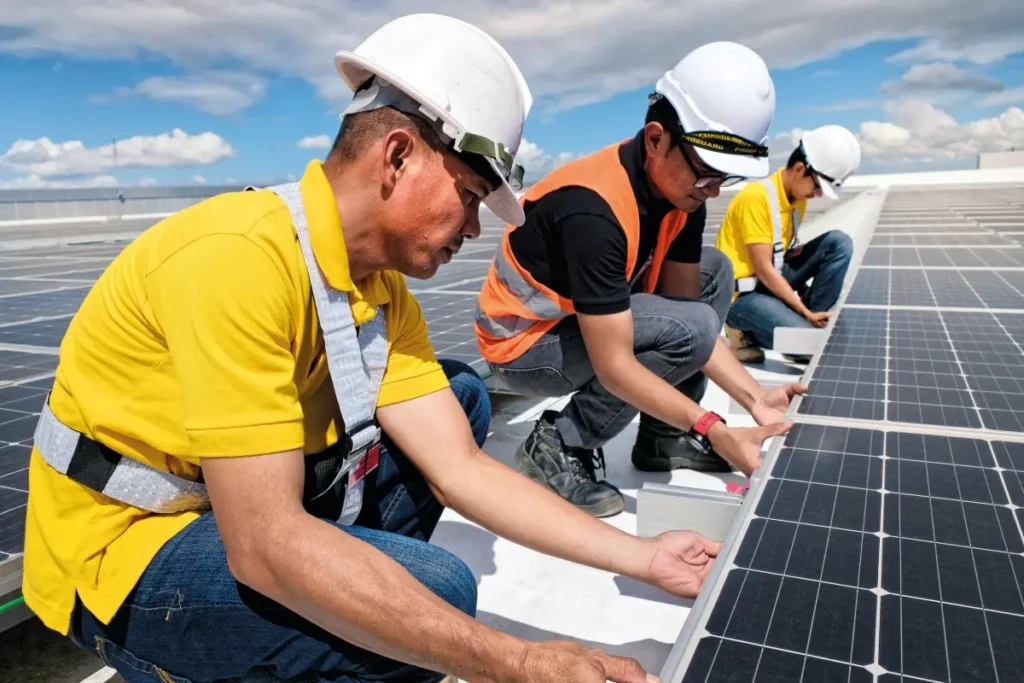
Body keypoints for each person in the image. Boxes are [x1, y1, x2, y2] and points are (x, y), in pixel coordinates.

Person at [23, 14, 723, 683]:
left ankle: (345, 618)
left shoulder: (382, 293)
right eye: (473, 194)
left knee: (460, 401)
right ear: (397, 156)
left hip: (234, 508)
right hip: (124, 555)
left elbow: (460, 470)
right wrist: (512, 659)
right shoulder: (236, 262)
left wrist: (643, 557)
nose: (475, 228)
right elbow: (264, 544)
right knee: (439, 591)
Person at [474, 41, 805, 519]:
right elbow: (616, 364)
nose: (712, 190)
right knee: (685, 328)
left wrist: (755, 398)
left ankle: (661, 439)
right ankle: (558, 444)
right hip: (524, 348)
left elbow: (693, 317)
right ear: (656, 139)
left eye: (724, 180)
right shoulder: (593, 210)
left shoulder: (683, 193)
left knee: (714, 272)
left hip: (576, 327)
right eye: (708, 173)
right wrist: (714, 427)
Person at [717, 125, 862, 363]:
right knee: (811, 346)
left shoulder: (796, 199)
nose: (818, 195)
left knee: (839, 243)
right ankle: (740, 329)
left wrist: (804, 300)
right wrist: (802, 310)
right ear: (799, 169)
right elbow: (764, 269)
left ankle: (805, 325)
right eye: (817, 187)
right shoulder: (756, 197)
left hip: (768, 280)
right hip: (742, 296)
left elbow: (782, 257)